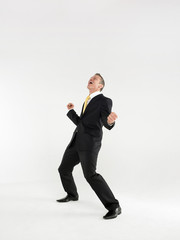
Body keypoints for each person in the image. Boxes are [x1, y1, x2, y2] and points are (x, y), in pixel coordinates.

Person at [57, 73, 121, 219]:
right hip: (77, 141)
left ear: (101, 86)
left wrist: (110, 122)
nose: (91, 79)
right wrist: (71, 111)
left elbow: (106, 121)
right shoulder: (88, 100)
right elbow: (83, 124)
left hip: (90, 144)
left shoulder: (104, 100)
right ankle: (72, 195)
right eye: (90, 77)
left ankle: (114, 206)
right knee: (63, 169)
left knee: (90, 175)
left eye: (95, 79)